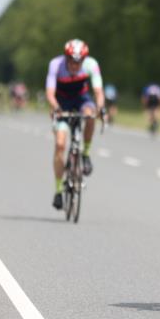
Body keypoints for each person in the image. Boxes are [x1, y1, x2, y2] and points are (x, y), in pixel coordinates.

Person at [45, 38, 105, 210]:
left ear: (84, 60)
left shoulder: (91, 64)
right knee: (60, 145)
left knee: (91, 115)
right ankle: (58, 191)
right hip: (61, 102)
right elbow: (50, 93)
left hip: (81, 99)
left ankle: (85, 154)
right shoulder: (56, 65)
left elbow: (98, 91)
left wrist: (100, 108)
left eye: (78, 62)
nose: (74, 65)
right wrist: (56, 108)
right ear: (66, 58)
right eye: (71, 61)